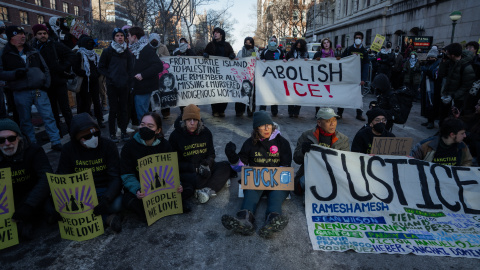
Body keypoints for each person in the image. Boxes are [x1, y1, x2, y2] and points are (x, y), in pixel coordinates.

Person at [222, 111, 292, 238]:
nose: (266, 128)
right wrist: (233, 158)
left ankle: (272, 221)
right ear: (256, 128)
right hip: (256, 179)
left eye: (268, 125)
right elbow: (240, 167)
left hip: (276, 181)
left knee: (275, 197)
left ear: (272, 126)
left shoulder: (282, 143)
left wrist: (273, 179)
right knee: (250, 195)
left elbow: (285, 167)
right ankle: (245, 220)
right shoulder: (250, 143)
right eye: (262, 125)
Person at [57, 113, 123, 232]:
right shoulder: (68, 149)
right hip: (80, 194)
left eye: (95, 134)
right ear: (76, 138)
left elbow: (115, 177)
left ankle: (94, 215)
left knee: (118, 204)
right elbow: (62, 176)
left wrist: (106, 199)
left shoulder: (108, 145)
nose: (93, 138)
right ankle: (107, 219)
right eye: (86, 137)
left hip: (104, 190)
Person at [0, 26, 63, 151]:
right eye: (18, 34)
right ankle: (32, 144)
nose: (23, 36)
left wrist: (45, 85)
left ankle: (56, 141)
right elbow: (1, 73)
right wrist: (14, 74)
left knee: (48, 116)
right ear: (11, 37)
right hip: (20, 92)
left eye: (23, 34)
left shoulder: (33, 50)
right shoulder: (4, 54)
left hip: (38, 91)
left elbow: (45, 69)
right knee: (25, 120)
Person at [121, 112, 182, 221]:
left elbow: (172, 170)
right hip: (141, 191)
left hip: (161, 190)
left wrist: (178, 185)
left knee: (185, 189)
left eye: (150, 126)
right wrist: (137, 190)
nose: (145, 128)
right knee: (127, 200)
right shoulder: (129, 147)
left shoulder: (165, 145)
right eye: (142, 125)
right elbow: (127, 174)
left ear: (158, 130)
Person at [0, 118, 53, 239]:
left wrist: (29, 205)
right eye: (1, 140)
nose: (7, 143)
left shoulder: (34, 151)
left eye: (11, 138)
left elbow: (46, 178)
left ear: (18, 137)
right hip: (8, 202)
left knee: (51, 211)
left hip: (33, 197)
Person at [169, 104, 231, 204]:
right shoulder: (175, 136)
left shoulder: (206, 132)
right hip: (188, 171)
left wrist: (206, 164)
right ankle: (217, 183)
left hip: (204, 167)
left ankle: (206, 190)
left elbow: (211, 153)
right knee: (196, 180)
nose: (192, 123)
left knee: (225, 166)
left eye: (195, 120)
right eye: (189, 120)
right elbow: (173, 162)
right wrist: (195, 168)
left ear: (199, 120)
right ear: (184, 121)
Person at [293, 107, 349, 195]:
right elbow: (296, 159)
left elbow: (345, 164)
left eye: (334, 120)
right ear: (319, 122)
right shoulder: (307, 136)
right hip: (310, 173)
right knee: (304, 182)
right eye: (328, 121)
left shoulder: (343, 139)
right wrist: (303, 151)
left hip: (332, 176)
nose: (332, 124)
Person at [32, 24, 75, 136]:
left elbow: (71, 54)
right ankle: (57, 132)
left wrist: (62, 67)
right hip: (45, 84)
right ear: (35, 35)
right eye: (40, 34)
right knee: (51, 110)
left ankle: (72, 130)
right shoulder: (33, 48)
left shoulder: (55, 45)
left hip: (59, 81)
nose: (42, 36)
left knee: (65, 109)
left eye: (44, 33)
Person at [98, 28, 133, 142]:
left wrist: (127, 79)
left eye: (121, 35)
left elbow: (130, 68)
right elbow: (101, 67)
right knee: (113, 110)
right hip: (112, 85)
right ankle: (112, 134)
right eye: (117, 35)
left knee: (124, 109)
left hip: (124, 85)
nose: (120, 37)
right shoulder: (107, 51)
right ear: (114, 37)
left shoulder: (127, 52)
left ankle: (123, 132)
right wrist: (110, 76)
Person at [128, 27, 163, 123]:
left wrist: (142, 74)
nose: (128, 38)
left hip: (143, 87)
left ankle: (147, 134)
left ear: (134, 37)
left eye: (129, 36)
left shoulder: (146, 49)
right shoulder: (136, 49)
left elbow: (158, 66)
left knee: (142, 114)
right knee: (141, 113)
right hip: (137, 87)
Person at [204, 27, 235, 117]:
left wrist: (232, 55)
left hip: (225, 72)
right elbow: (204, 52)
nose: (215, 34)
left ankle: (222, 110)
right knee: (214, 92)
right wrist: (205, 54)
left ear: (221, 34)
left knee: (224, 92)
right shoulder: (210, 45)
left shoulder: (227, 45)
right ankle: (215, 110)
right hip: (213, 73)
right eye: (214, 32)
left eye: (217, 32)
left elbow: (231, 53)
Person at [439, 43, 476, 118]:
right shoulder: (450, 62)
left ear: (452, 55)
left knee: (452, 120)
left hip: (458, 99)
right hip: (447, 95)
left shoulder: (467, 67)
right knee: (443, 117)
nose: (446, 55)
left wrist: (453, 96)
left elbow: (466, 86)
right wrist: (443, 62)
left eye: (447, 53)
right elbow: (441, 74)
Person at [339, 31, 368, 121]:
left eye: (359, 38)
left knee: (359, 96)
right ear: (354, 39)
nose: (358, 39)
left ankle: (359, 114)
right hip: (348, 76)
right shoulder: (349, 49)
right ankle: (339, 113)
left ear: (362, 40)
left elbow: (366, 65)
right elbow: (342, 61)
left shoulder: (364, 51)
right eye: (356, 38)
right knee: (343, 95)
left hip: (358, 78)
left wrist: (364, 79)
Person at [259, 36, 286, 117]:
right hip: (266, 77)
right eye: (272, 40)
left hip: (276, 77)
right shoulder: (265, 51)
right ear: (269, 41)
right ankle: (262, 110)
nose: (273, 42)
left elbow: (283, 59)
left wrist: (284, 61)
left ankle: (274, 111)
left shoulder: (280, 51)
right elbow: (260, 60)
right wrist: (262, 61)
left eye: (274, 40)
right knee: (265, 92)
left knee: (274, 93)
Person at [418, 46, 441, 129]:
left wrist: (427, 71)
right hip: (425, 86)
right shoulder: (427, 64)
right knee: (426, 104)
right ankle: (428, 120)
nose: (430, 59)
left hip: (433, 88)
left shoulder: (438, 64)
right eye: (429, 57)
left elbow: (435, 76)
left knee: (431, 104)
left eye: (432, 57)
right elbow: (423, 76)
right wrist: (420, 86)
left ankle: (432, 121)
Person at [314, 38, 337, 116]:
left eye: (327, 42)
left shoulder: (335, 53)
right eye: (324, 43)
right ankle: (317, 112)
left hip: (331, 77)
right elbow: (312, 64)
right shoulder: (318, 54)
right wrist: (316, 60)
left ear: (330, 44)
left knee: (329, 94)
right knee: (319, 94)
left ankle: (328, 111)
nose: (326, 44)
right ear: (322, 45)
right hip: (320, 77)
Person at [235, 37, 258, 117]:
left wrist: (258, 59)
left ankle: (250, 110)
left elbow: (256, 61)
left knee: (251, 94)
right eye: (246, 42)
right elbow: (236, 62)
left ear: (252, 43)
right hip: (241, 76)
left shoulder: (255, 52)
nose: (248, 44)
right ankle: (239, 111)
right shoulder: (241, 52)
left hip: (252, 77)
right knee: (241, 93)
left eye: (250, 43)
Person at [286, 39, 309, 118]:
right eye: (297, 45)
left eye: (300, 45)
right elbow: (284, 61)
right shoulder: (290, 52)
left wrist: (307, 61)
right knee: (291, 93)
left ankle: (296, 111)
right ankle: (290, 111)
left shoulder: (306, 54)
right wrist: (289, 60)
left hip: (301, 77)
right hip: (291, 76)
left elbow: (309, 65)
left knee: (300, 94)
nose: (298, 46)